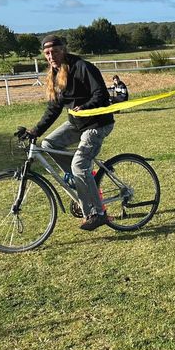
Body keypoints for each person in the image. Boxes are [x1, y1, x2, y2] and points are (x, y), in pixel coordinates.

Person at [24, 34, 115, 231]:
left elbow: (101, 93)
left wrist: (86, 106)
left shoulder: (82, 67)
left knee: (79, 164)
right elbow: (54, 108)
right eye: (47, 53)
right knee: (48, 144)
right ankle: (79, 179)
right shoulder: (55, 74)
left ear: (63, 50)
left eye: (55, 51)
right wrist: (35, 131)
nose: (51, 56)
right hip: (77, 123)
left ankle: (98, 213)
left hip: (97, 123)